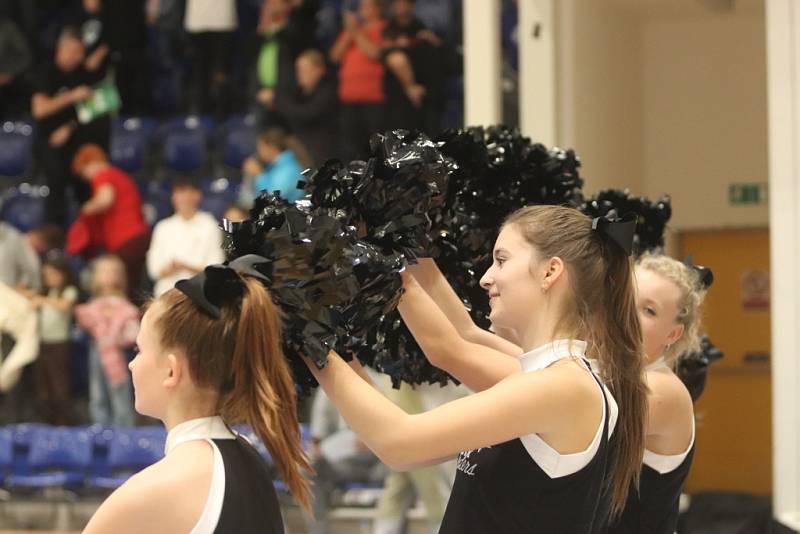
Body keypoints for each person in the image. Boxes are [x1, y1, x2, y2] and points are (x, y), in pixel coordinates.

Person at [307, 205, 648, 532]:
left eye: (501, 260)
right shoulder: (538, 378)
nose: (486, 279)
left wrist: (304, 331)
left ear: (550, 271)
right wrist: (390, 245)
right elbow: (449, 347)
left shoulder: (563, 386)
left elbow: (398, 442)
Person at [83, 255, 311, 533]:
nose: (132, 363)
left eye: (139, 350)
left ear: (171, 371)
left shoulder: (155, 489)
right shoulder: (250, 459)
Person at [606, 253, 706, 534]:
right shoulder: (612, 371)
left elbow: (573, 409)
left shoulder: (662, 389)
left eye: (648, 310)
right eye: (627, 298)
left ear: (673, 334)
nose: (628, 314)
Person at [31, 26, 110, 226]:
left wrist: (69, 126)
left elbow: (95, 110)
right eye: (75, 52)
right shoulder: (46, 73)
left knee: (88, 182)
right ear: (62, 49)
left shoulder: (84, 74)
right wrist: (72, 96)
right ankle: (55, 233)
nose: (79, 57)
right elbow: (40, 109)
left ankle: (89, 234)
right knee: (56, 183)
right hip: (51, 143)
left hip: (79, 140)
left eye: (81, 52)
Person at [69, 143, 150, 299]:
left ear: (91, 163)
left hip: (126, 240)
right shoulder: (119, 175)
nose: (86, 177)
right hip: (137, 237)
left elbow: (105, 199)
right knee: (134, 286)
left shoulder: (103, 175)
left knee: (124, 288)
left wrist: (86, 208)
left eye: (84, 171)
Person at [306, 389, 383, 534]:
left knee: (411, 464)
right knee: (307, 468)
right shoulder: (326, 388)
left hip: (381, 462)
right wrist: (320, 450)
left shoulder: (378, 381)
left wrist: (374, 440)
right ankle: (318, 531)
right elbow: (317, 440)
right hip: (341, 464)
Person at [75, 255, 138, 427]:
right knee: (97, 391)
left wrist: (117, 337)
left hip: (116, 353)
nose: (108, 276)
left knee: (119, 390)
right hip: (96, 349)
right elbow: (82, 325)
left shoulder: (125, 305)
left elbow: (132, 331)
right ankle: (100, 427)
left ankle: (124, 429)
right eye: (104, 272)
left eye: (112, 272)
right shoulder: (91, 304)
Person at [146, 177, 225, 297]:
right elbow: (153, 270)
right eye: (181, 192)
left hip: (200, 294)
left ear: (198, 195)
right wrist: (171, 268)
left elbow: (216, 268)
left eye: (190, 192)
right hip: (166, 294)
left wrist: (184, 266)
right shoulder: (162, 227)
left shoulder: (210, 225)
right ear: (173, 197)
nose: (186, 198)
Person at [330, 0, 387, 161]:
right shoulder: (352, 31)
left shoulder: (383, 28)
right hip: (349, 99)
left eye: (367, 6)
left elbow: (375, 53)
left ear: (378, 8)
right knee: (350, 148)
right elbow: (335, 56)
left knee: (375, 147)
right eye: (362, 6)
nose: (363, 10)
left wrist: (355, 33)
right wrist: (350, 33)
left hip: (373, 98)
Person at [30, 255, 79, 425]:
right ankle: (47, 420)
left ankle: (63, 421)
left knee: (60, 383)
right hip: (43, 341)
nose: (50, 278)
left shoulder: (68, 291)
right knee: (44, 384)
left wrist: (41, 301)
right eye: (46, 275)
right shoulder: (46, 292)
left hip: (60, 343)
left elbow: (64, 305)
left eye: (53, 274)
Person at [275, 48, 339, 166]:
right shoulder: (299, 92)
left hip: (324, 151)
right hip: (304, 149)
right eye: (298, 70)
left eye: (304, 70)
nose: (299, 74)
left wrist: (279, 101)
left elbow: (306, 115)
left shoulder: (329, 90)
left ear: (319, 70)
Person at [183, 0, 238, 115]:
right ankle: (203, 109)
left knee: (220, 70)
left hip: (222, 20)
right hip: (197, 21)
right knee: (201, 71)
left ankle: (221, 108)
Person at [243, 129, 307, 203]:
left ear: (271, 147)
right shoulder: (275, 166)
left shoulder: (288, 168)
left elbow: (273, 197)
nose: (258, 151)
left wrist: (259, 174)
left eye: (261, 146)